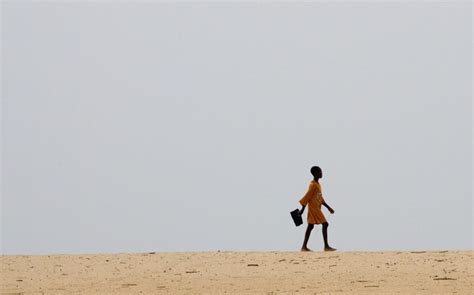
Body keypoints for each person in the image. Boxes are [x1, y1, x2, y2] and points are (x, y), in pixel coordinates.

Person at [298, 166, 336, 252]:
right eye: (320, 172)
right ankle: (326, 246)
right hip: (314, 208)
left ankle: (304, 247)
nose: (321, 173)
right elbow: (306, 197)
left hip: (317, 208)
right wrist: (302, 210)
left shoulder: (318, 184)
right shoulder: (313, 185)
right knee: (325, 224)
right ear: (315, 174)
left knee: (310, 226)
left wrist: (328, 208)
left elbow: (320, 198)